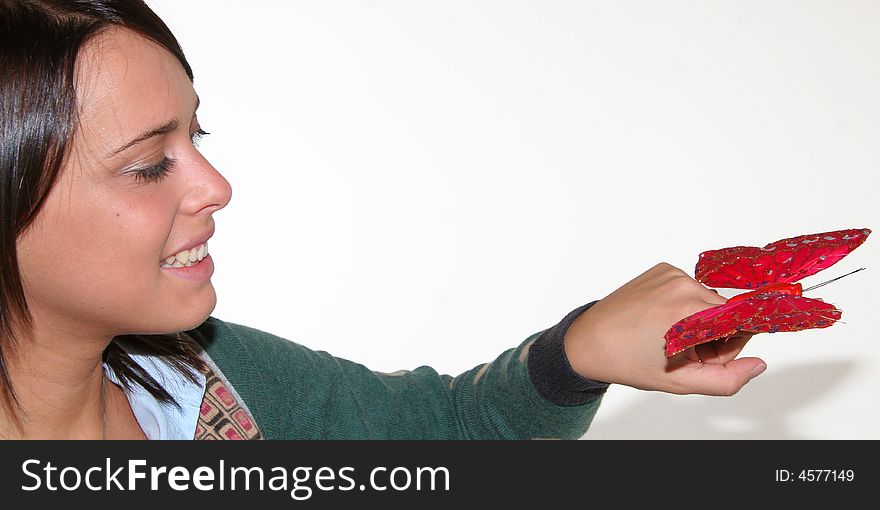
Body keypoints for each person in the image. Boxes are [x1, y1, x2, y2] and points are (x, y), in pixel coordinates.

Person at [0, 0, 766, 440]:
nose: (217, 186)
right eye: (146, 164)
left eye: (194, 137)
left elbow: (449, 430)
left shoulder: (218, 378)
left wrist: (579, 354)